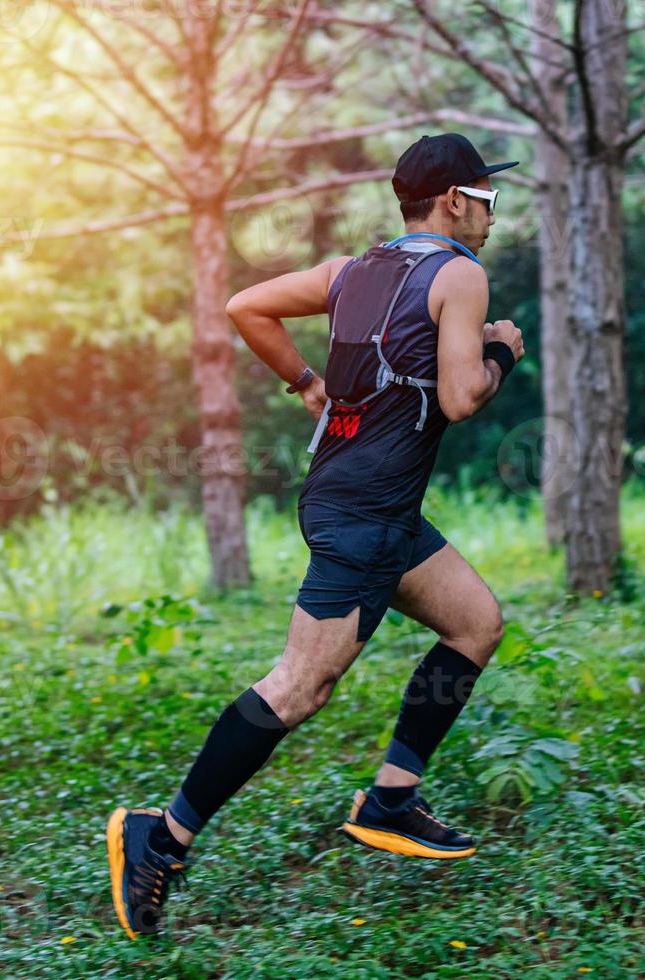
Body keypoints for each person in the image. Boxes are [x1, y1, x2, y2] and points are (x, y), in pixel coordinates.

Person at [105, 132, 527, 939]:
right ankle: (160, 837)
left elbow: (246, 307)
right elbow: (463, 396)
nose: (491, 216)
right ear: (451, 202)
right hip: (365, 515)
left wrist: (304, 382)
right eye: (486, 198)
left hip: (364, 503)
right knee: (300, 686)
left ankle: (393, 798)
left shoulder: (351, 272)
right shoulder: (461, 276)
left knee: (476, 624)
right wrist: (502, 350)